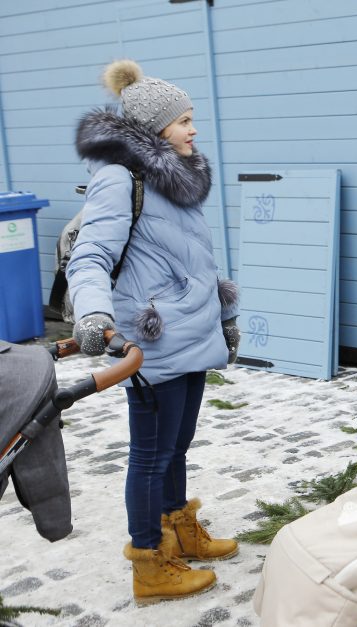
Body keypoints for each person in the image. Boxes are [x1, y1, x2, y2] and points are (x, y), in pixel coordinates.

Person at [67, 59, 241, 605]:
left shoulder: (173, 178)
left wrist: (222, 311)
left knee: (178, 445)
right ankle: (148, 562)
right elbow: (91, 254)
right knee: (151, 453)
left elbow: (189, 261)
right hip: (153, 339)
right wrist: (93, 314)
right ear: (154, 128)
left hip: (191, 332)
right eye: (184, 120)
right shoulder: (120, 179)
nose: (193, 129)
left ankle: (180, 531)